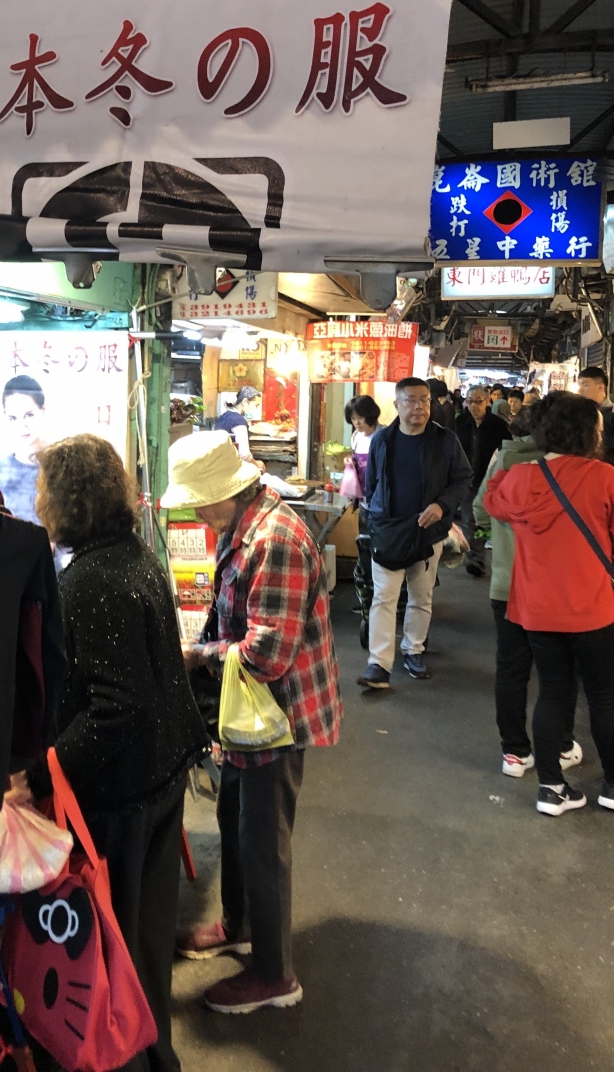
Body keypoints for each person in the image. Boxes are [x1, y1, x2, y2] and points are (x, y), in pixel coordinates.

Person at [11, 434, 208, 1072]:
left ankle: (125, 1060)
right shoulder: (131, 556)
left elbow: (116, 706)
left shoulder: (91, 580)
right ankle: (155, 1058)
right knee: (145, 947)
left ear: (67, 500)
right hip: (158, 779)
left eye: (44, 490)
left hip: (122, 798)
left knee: (110, 957)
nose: (37, 501)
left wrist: (42, 772)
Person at [166, 432, 340, 1014]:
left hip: (276, 714)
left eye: (199, 501)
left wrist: (197, 657)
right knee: (235, 821)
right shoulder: (240, 528)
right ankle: (240, 925)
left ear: (228, 491)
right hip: (247, 712)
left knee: (264, 842)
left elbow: (267, 655)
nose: (195, 513)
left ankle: (274, 974)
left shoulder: (276, 539)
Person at [486, 392, 614, 816]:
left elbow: (492, 501)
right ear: (587, 431)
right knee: (603, 695)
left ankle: (552, 790)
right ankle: (612, 787)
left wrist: (502, 470)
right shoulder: (605, 477)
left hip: (538, 608)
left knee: (552, 692)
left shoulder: (521, 477)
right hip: (594, 605)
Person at [474, 402, 582, 779]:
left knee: (511, 668)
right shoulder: (573, 469)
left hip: (506, 583)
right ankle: (562, 745)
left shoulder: (503, 461)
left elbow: (480, 510)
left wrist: (504, 536)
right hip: (554, 587)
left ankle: (515, 753)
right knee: (559, 672)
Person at [357, 376, 472, 689]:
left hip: (428, 532)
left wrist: (441, 505)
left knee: (421, 596)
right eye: (410, 400)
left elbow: (463, 479)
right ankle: (378, 664)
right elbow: (372, 485)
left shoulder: (445, 440)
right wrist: (377, 519)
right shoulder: (382, 440)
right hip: (389, 532)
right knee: (384, 598)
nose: (419, 406)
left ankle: (413, 650)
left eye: (424, 400)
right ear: (397, 404)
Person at [454, 385, 513, 577]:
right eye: (469, 401)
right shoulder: (460, 423)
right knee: (469, 520)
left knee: (489, 521)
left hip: (492, 481)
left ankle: (497, 559)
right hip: (467, 480)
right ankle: (476, 559)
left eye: (478, 401)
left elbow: (506, 452)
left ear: (487, 401)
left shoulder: (498, 425)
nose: (473, 406)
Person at [345, 395, 381, 649]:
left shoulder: (383, 436)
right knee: (364, 553)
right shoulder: (357, 437)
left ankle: (381, 600)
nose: (356, 423)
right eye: (353, 419)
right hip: (365, 503)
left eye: (359, 417)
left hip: (380, 506)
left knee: (380, 554)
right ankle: (367, 600)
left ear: (371, 415)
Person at [0, 375, 47, 524]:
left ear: (42, 410)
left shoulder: (63, 465)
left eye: (29, 415)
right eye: (13, 418)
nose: (22, 425)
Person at [577, 365, 614, 464]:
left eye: (585, 385)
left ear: (600, 387)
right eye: (579, 386)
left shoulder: (611, 413)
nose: (580, 390)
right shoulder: (579, 415)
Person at [214, 385, 261, 462]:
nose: (256, 409)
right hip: (230, 463)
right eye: (256, 405)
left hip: (219, 462)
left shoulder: (224, 416)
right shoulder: (238, 421)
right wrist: (256, 463)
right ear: (245, 402)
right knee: (261, 464)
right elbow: (244, 455)